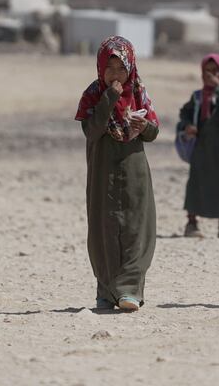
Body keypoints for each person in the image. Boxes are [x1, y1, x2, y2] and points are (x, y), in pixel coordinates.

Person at [75, 36, 159, 312]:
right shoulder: (93, 94)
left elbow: (154, 132)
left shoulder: (138, 91)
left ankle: (130, 289)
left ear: (130, 67)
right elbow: (92, 130)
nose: (116, 74)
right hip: (103, 169)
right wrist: (110, 97)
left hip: (134, 167)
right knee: (104, 227)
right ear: (100, 68)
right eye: (109, 68)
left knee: (136, 226)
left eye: (121, 68)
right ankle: (106, 289)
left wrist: (143, 125)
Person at [179, 54, 219, 239]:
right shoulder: (198, 96)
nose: (211, 75)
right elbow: (185, 113)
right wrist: (188, 125)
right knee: (196, 183)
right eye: (208, 71)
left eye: (216, 71)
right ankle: (191, 223)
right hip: (201, 146)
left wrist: (218, 87)